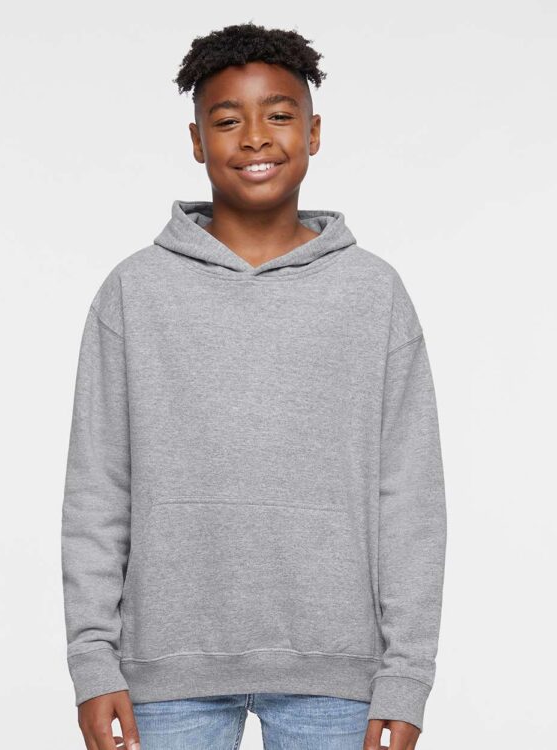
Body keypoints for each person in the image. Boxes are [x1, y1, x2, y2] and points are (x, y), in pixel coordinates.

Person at [60, 21, 447, 750]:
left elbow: (410, 497)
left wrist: (407, 675)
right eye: (228, 120)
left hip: (338, 677)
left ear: (314, 131)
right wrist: (92, 661)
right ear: (197, 141)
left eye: (279, 114)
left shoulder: (373, 294)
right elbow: (97, 489)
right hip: (163, 675)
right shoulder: (134, 292)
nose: (256, 137)